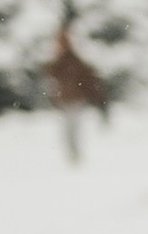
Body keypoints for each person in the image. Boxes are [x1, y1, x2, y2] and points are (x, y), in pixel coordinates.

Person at [44, 19, 109, 164]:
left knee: (72, 129)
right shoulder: (61, 62)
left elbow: (87, 80)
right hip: (67, 100)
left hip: (74, 100)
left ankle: (75, 156)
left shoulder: (74, 62)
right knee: (69, 130)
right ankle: (72, 155)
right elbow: (50, 74)